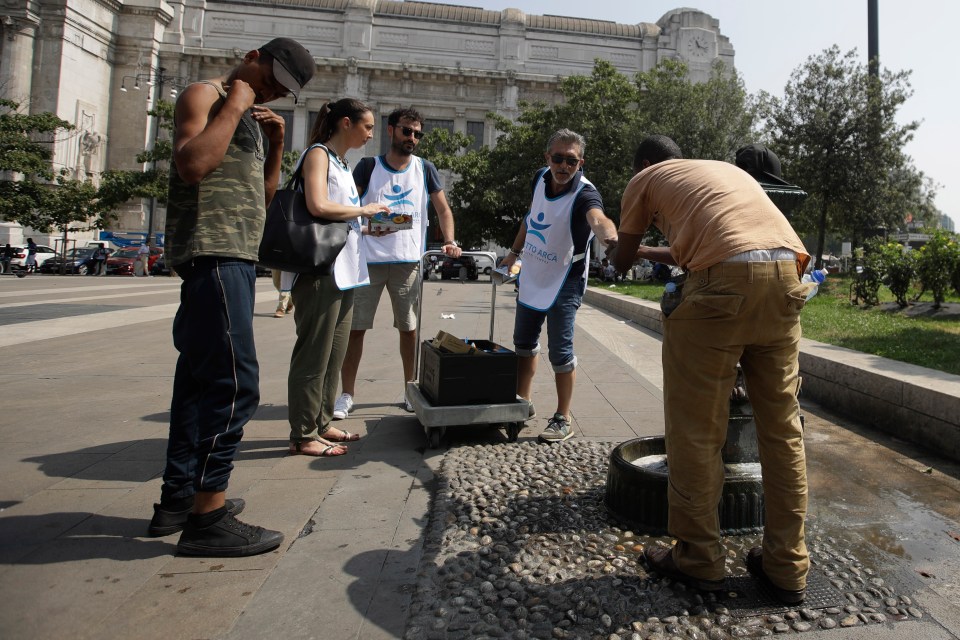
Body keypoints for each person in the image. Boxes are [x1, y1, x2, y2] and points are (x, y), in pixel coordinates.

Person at [612, 134, 812, 603]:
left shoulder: (644, 180)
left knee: (696, 431)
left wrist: (615, 240)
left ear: (643, 163)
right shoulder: (726, 174)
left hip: (720, 287)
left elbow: (620, 261)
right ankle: (787, 564)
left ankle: (699, 558)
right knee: (783, 430)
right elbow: (726, 244)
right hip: (787, 275)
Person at [148, 37, 315, 557]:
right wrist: (237, 103)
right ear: (252, 56)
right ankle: (209, 516)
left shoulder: (252, 118)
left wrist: (278, 145)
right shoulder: (204, 95)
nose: (272, 91)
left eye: (283, 92)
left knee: (197, 386)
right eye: (270, 79)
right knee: (236, 384)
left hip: (238, 254)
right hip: (212, 253)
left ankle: (177, 500)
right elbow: (192, 165)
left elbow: (259, 199)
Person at [334, 107, 461, 419]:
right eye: (407, 131)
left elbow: (443, 209)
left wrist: (450, 239)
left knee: (409, 329)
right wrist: (372, 220)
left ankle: (410, 387)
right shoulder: (367, 166)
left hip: (408, 262)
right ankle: (346, 393)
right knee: (356, 329)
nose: (412, 138)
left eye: (417, 133)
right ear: (390, 131)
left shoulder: (425, 169)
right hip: (367, 262)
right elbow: (347, 206)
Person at [286, 99, 390, 456]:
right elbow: (317, 205)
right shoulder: (318, 155)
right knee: (313, 353)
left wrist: (364, 224)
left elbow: (339, 214)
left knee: (335, 352)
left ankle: (322, 421)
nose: (371, 134)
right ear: (346, 123)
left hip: (346, 270)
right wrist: (364, 209)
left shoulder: (344, 164)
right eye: (367, 127)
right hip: (320, 269)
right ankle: (302, 432)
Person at [500, 129, 618, 443]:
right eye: (558, 158)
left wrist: (609, 236)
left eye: (571, 160)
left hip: (565, 279)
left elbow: (598, 218)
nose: (564, 166)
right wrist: (512, 252)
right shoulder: (540, 178)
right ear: (547, 158)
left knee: (560, 351)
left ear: (581, 163)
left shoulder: (584, 193)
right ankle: (521, 404)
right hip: (534, 272)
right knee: (523, 342)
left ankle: (563, 418)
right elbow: (531, 217)